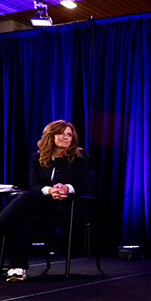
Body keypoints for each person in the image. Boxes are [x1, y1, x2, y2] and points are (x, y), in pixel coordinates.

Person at [0, 120, 90, 282]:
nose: (66, 137)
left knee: (24, 198)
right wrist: (49, 190)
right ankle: (17, 269)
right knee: (23, 214)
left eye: (69, 135)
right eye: (61, 134)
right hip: (42, 206)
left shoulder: (79, 157)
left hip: (67, 208)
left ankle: (16, 265)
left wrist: (66, 188)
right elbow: (34, 185)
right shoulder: (37, 158)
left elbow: (85, 184)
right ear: (50, 135)